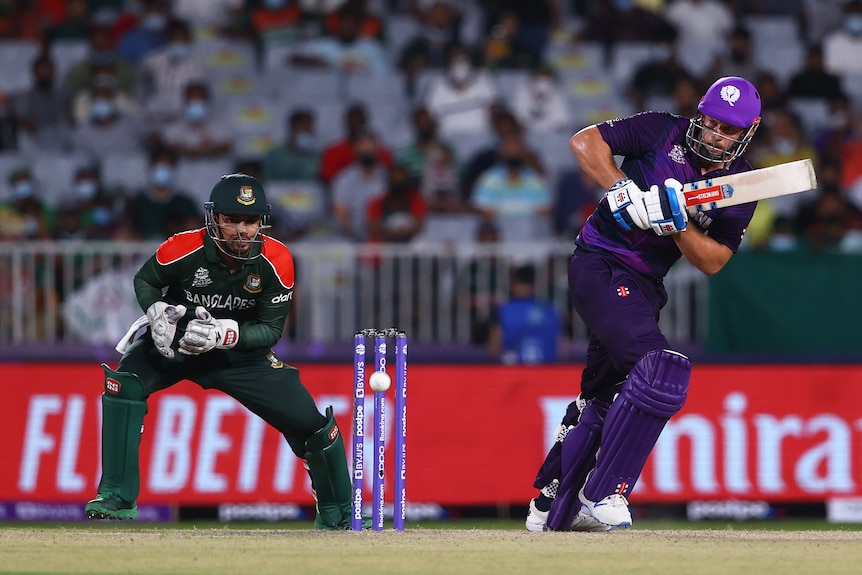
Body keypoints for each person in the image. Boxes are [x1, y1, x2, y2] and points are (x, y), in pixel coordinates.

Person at [524, 76, 763, 532]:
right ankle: (604, 491)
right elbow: (584, 141)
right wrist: (620, 188)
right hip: (599, 263)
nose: (715, 133)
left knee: (601, 396)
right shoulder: (659, 130)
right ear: (699, 115)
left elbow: (713, 261)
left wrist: (677, 225)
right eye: (711, 122)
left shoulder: (740, 185)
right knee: (659, 368)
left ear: (747, 132)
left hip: (645, 287)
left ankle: (548, 504)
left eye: (728, 129)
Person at [85, 173, 366, 530]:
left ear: (260, 222)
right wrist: (155, 310)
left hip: (240, 354)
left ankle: (339, 515)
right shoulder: (182, 247)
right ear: (214, 218)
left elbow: (271, 331)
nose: (241, 230)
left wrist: (226, 334)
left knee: (312, 426)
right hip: (177, 342)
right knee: (124, 385)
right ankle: (116, 497)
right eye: (231, 220)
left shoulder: (277, 261)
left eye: (249, 221)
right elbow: (146, 280)